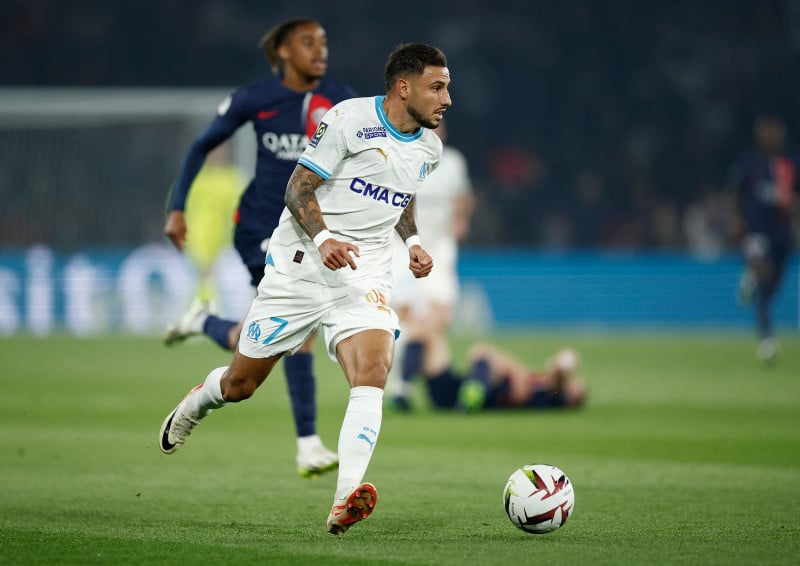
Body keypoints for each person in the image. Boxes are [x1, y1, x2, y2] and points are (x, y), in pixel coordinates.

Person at [158, 43, 452, 536]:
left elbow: (402, 193)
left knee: (373, 370)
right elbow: (297, 188)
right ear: (404, 88)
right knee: (240, 386)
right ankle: (197, 402)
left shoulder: (429, 149)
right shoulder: (349, 120)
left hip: (364, 273)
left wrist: (414, 242)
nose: (447, 99)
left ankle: (346, 496)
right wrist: (324, 239)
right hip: (301, 266)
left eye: (447, 88)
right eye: (437, 87)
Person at [162, 19, 356, 477]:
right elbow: (202, 145)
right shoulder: (256, 98)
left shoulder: (342, 101)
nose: (320, 50)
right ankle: (308, 444)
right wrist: (176, 207)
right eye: (308, 43)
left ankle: (204, 321)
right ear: (283, 52)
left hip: (309, 229)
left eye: (323, 42)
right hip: (260, 227)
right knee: (300, 328)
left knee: (258, 339)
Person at [387, 119, 474, 411]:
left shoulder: (453, 162)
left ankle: (403, 380)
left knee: (440, 314)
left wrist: (460, 220)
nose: (438, 129)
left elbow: (463, 197)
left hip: (440, 247)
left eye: (440, 125)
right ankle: (401, 384)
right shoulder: (402, 158)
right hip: (404, 247)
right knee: (405, 314)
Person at [728, 113, 798, 362]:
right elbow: (735, 194)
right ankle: (753, 272)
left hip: (781, 236)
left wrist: (793, 207)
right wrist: (736, 220)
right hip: (756, 231)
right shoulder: (749, 164)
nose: (769, 136)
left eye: (773, 131)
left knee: (767, 293)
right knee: (760, 263)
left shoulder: (791, 163)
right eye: (765, 131)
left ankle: (766, 339)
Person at [423, 343, 586, 412]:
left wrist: (564, 365)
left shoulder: (555, 395)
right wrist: (516, 371)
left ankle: (474, 393)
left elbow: (560, 379)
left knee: (482, 354)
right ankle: (472, 391)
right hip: (456, 389)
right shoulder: (541, 382)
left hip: (488, 395)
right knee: (431, 340)